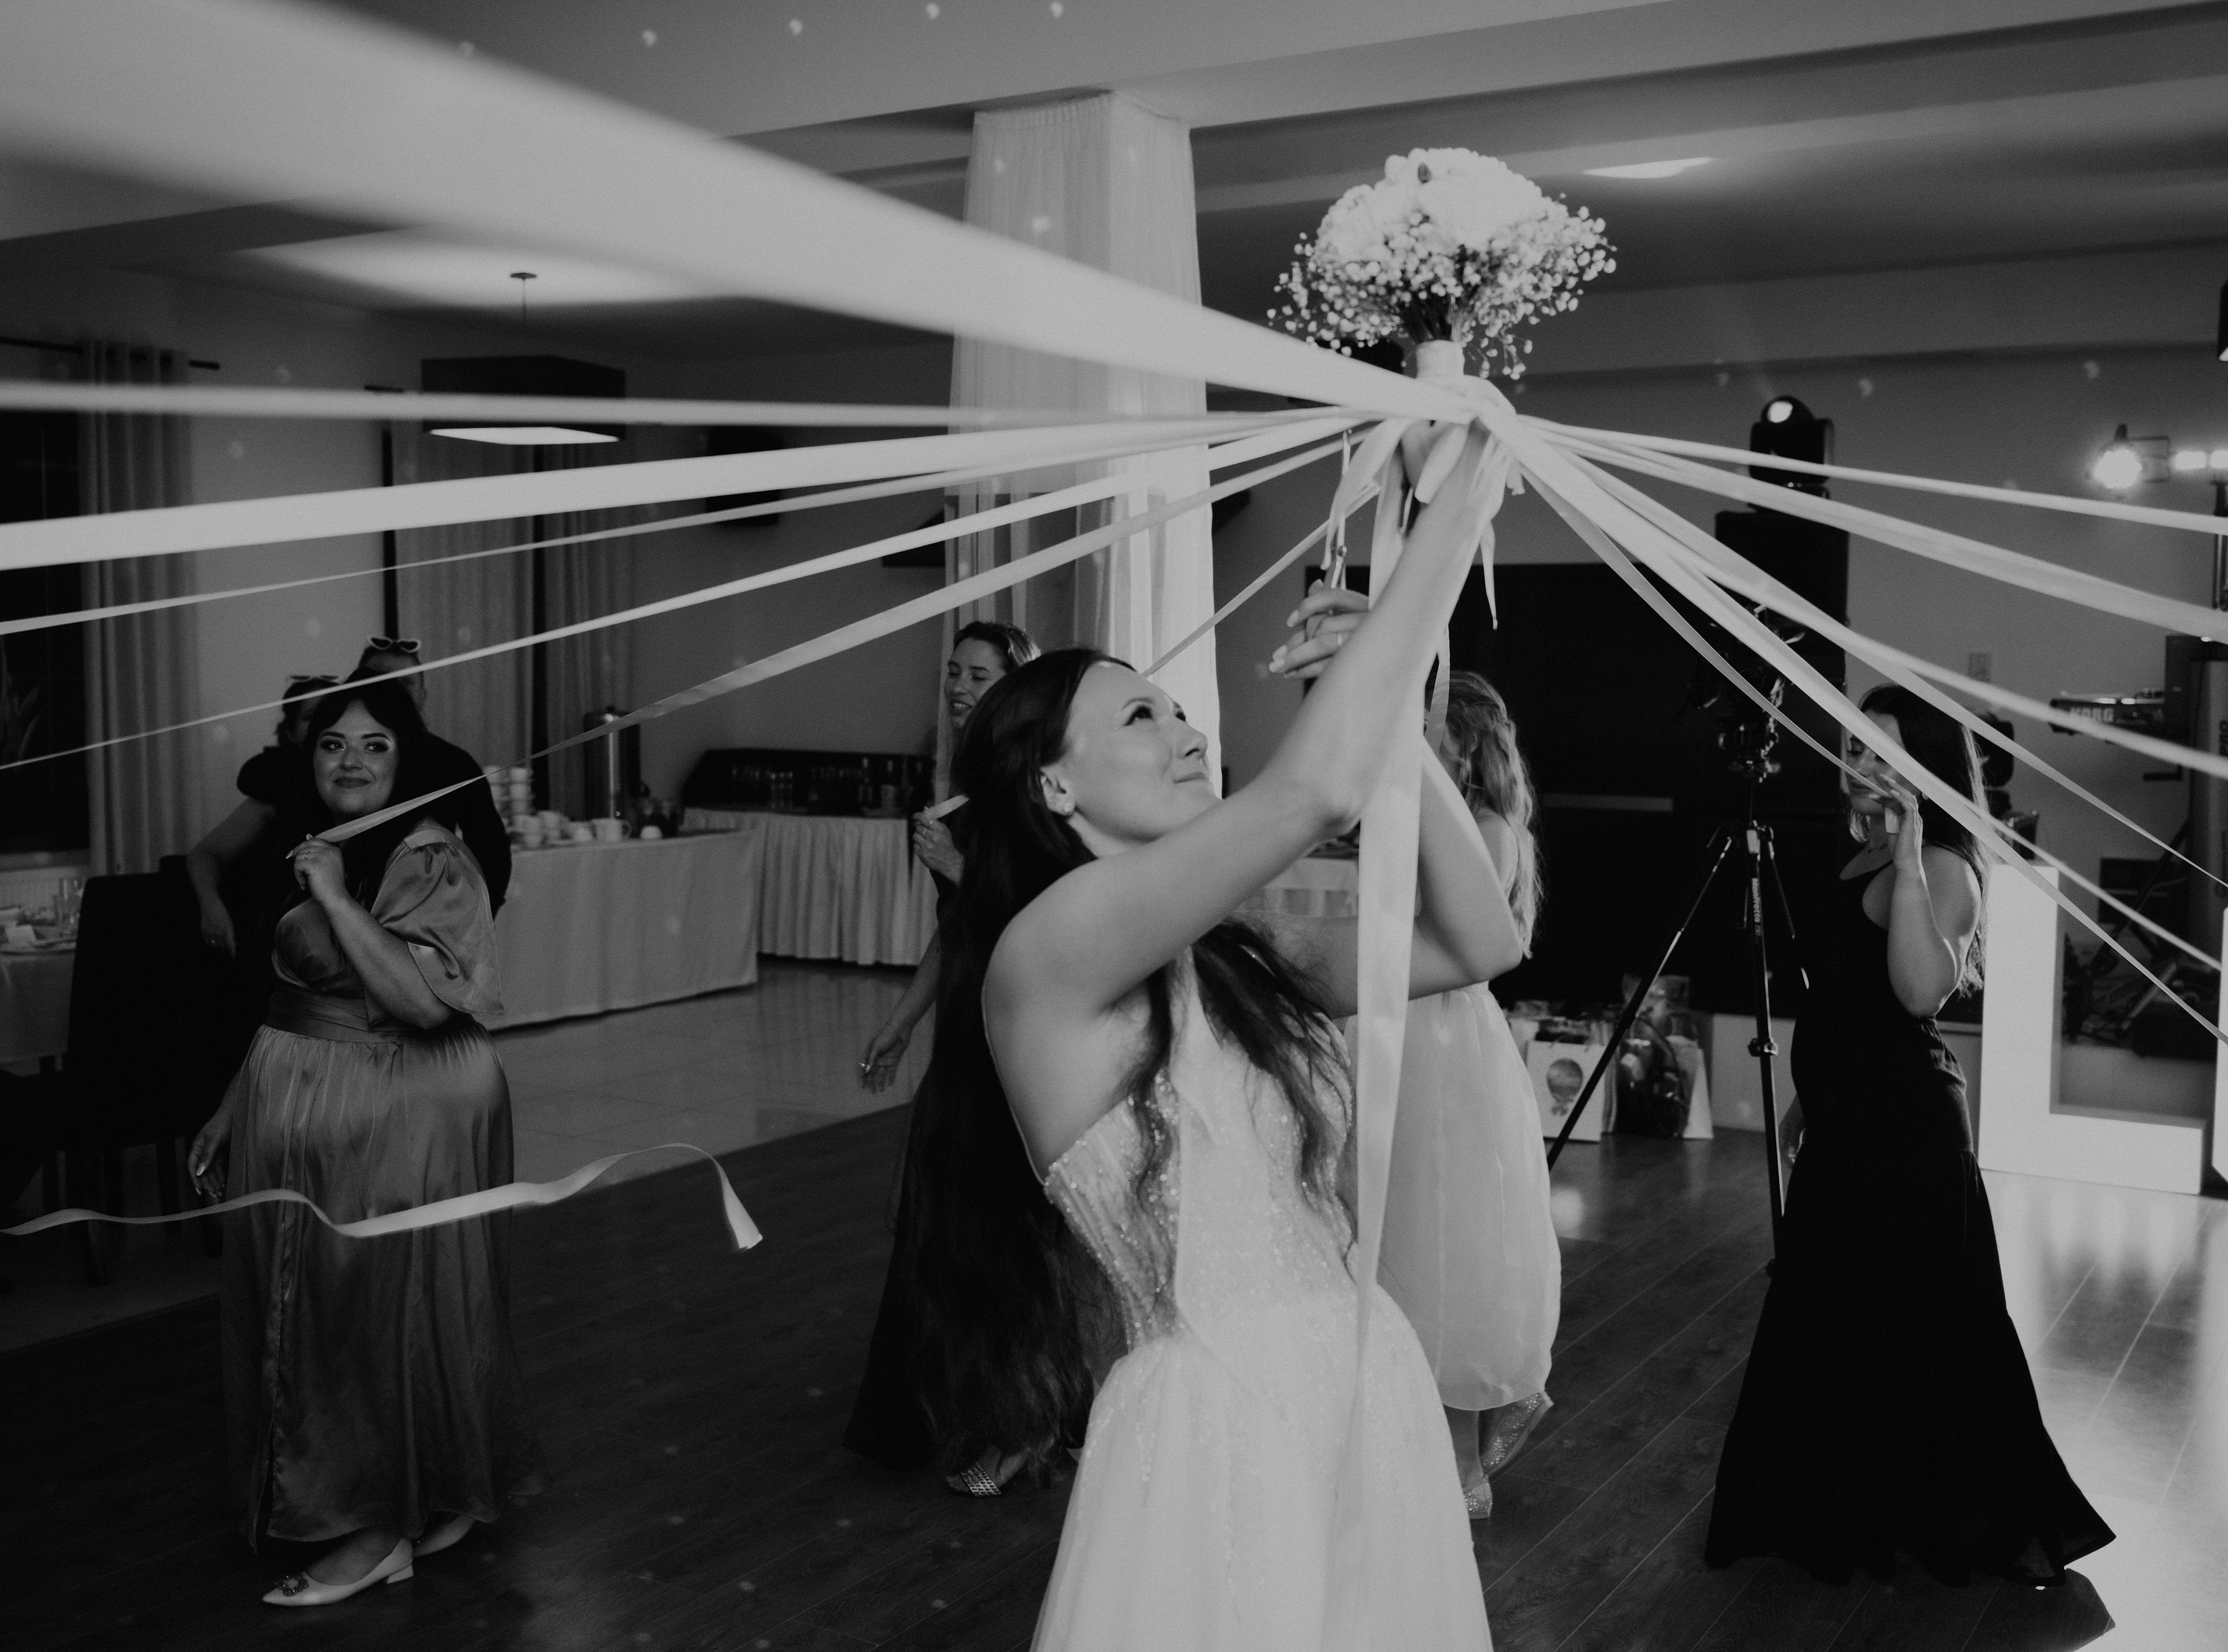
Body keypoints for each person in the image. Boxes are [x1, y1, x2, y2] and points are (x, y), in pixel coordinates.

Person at [945, 425, 1513, 1647]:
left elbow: (1482, 938)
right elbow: (1312, 790)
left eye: (1179, 709)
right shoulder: (1042, 956)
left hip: (1359, 1384)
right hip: (1216, 1427)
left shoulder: (1234, 950)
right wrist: (1448, 530)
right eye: (1142, 717)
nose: (1190, 731)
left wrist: (1401, 730)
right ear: (1054, 785)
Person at [1705, 685, 2113, 1586]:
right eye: (1856, 745)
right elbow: (1845, 998)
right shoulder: (1859, 851)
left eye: (1882, 749)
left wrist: (1912, 853)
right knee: (1833, 1321)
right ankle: (1832, 1504)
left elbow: (1919, 992)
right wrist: (1808, 1101)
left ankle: (1923, 1513)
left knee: (1920, 1333)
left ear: (1925, 766)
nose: (1860, 762)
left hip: (1906, 1134)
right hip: (1848, 1119)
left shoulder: (1944, 864)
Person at [187, 676, 545, 1607]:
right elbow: (292, 998)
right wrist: (234, 1104)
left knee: (372, 1311)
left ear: (407, 759)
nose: (350, 760)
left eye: (375, 744)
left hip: (404, 1106)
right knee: (351, 1307)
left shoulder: (428, 854)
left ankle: (378, 1530)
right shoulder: (317, 841)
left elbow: (422, 1003)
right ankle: (434, 1488)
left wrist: (335, 897)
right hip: (319, 1092)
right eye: (332, 743)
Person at [845, 618, 1046, 1492]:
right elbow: (953, 932)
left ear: (1015, 684)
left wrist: (961, 870)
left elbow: (1052, 922)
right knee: (934, 1222)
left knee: (999, 1228)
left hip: (1021, 1026)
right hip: (963, 1024)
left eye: (978, 674)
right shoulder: (968, 791)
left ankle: (1026, 1420)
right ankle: (931, 1406)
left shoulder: (1036, 790)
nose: (960, 688)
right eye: (954, 673)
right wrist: (900, 1019)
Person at [1378, 670, 1560, 1517]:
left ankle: (1456, 1462)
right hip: (1407, 1028)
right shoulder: (1445, 817)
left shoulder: (1487, 830)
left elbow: (1461, 942)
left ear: (1465, 742)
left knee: (1442, 1238)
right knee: (1400, 1226)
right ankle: (1407, 1436)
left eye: (1431, 728)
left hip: (1444, 1038)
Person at [353, 637, 512, 913]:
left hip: (425, 916)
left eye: (406, 683)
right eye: (381, 680)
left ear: (422, 696)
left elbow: (491, 850)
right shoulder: (336, 758)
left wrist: (475, 914)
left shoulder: (454, 764)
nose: (394, 691)